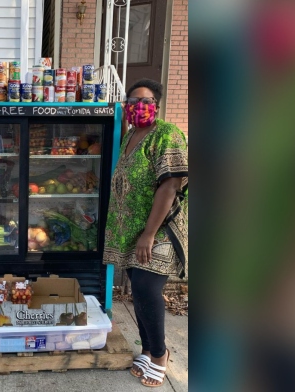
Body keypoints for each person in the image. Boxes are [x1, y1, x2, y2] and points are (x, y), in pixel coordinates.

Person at [103, 79, 188, 387]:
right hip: (132, 229)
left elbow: (169, 187)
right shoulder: (128, 136)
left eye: (146, 100)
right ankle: (148, 348)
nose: (139, 106)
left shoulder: (167, 134)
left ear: (157, 105)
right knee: (138, 291)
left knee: (148, 291)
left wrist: (148, 234)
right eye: (133, 100)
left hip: (159, 230)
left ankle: (160, 355)